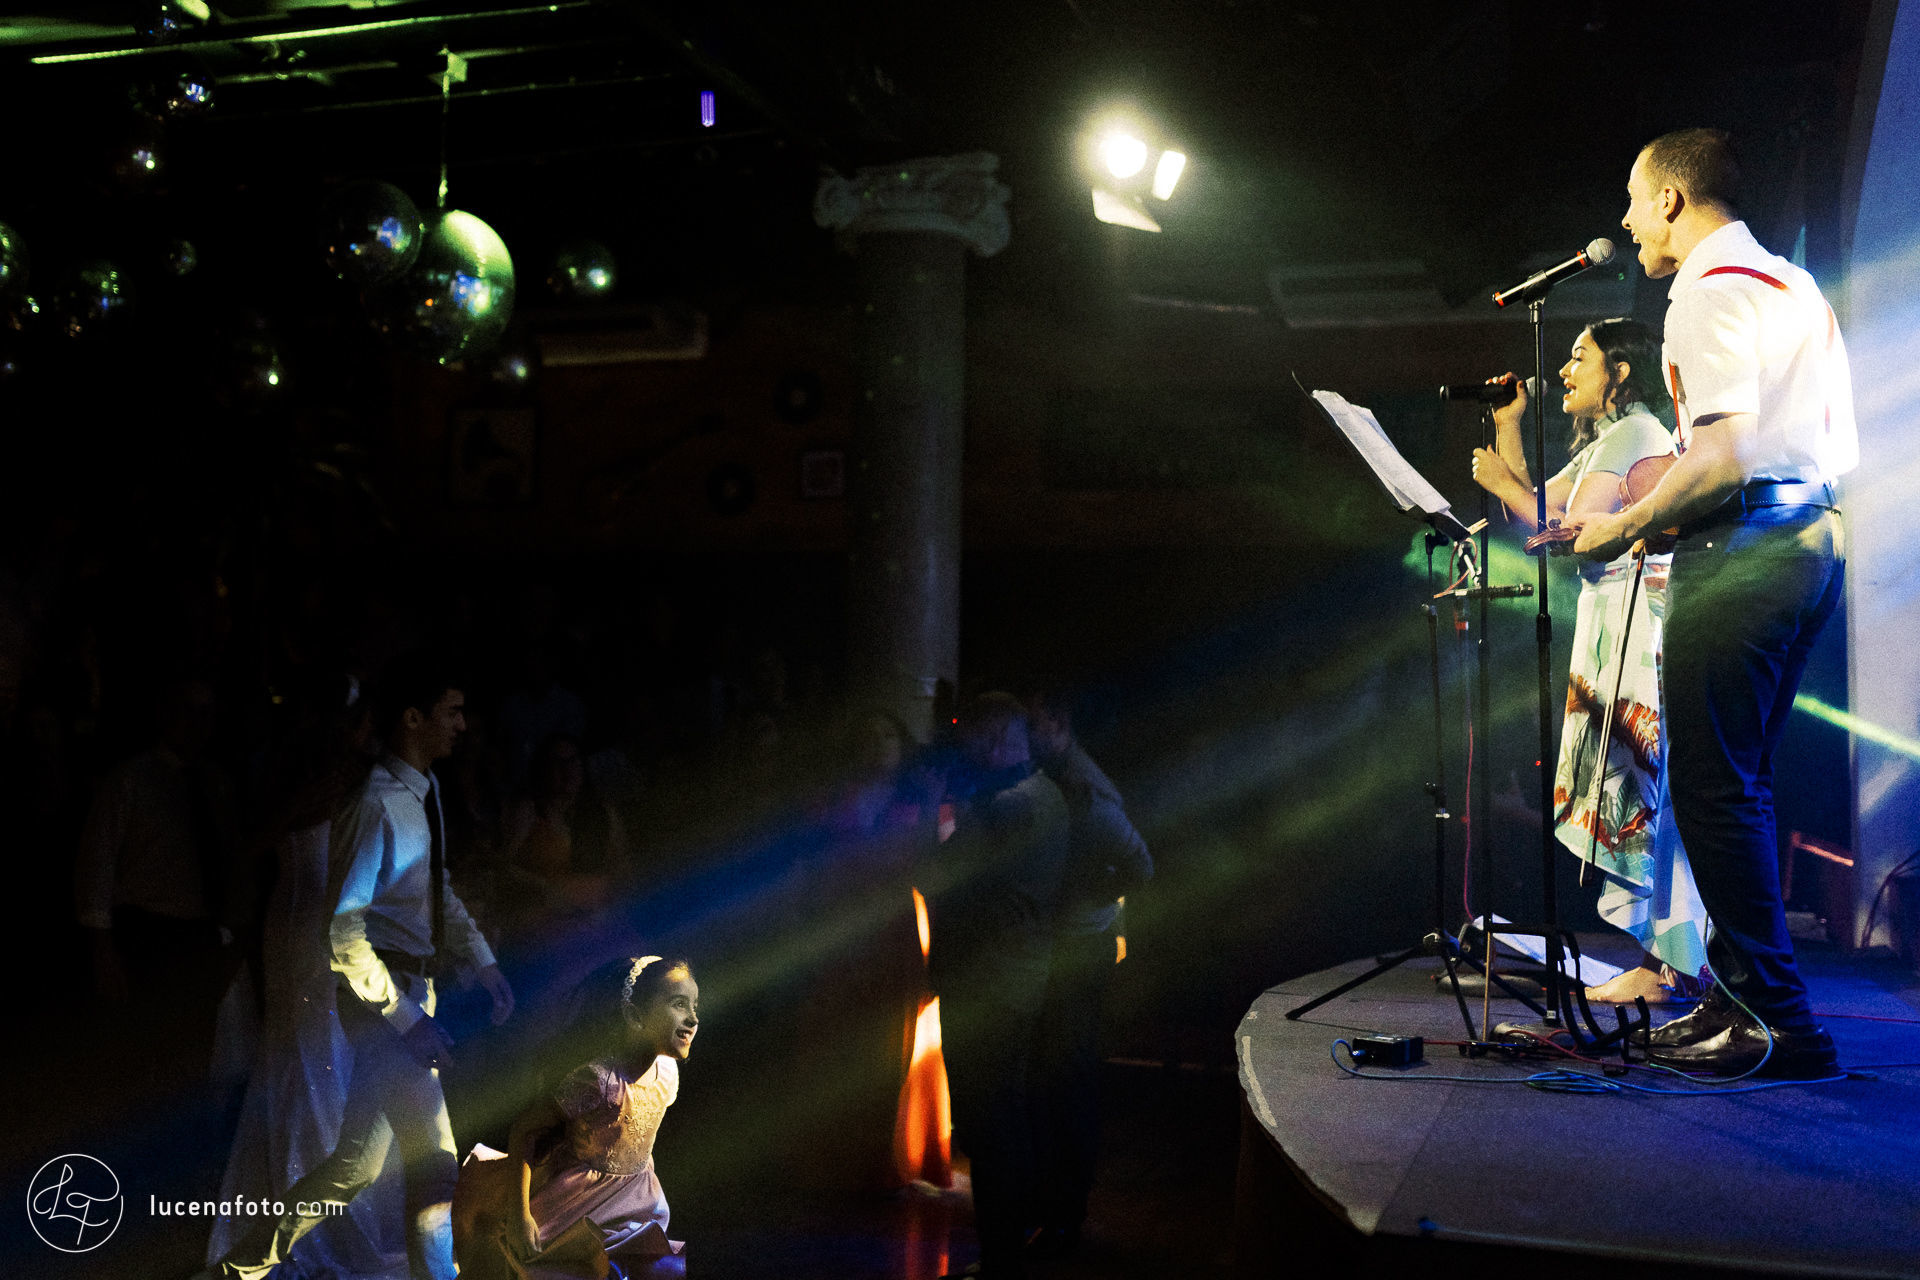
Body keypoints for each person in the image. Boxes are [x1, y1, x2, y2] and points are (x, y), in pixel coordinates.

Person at [1572, 128, 1856, 1078]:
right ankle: (1738, 1002)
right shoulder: (1792, 283)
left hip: (1745, 545)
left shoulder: (1700, 291)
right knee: (1739, 785)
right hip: (1809, 534)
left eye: (1631, 197)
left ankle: (1778, 1024)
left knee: (1711, 788)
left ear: (1670, 202)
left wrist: (1627, 522)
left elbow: (1722, 457)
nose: (1623, 219)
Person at [196, 651, 517, 1280]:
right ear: (413, 718)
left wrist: (481, 960)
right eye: (451, 712)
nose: (463, 724)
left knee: (354, 1167)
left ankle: (236, 1270)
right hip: (384, 1001)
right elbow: (343, 932)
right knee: (435, 1160)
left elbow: (435, 889)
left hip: (410, 993)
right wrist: (402, 1018)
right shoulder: (374, 804)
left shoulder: (423, 795)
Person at [1469, 319, 1711, 1005]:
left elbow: (1564, 533)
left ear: (1621, 370)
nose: (1566, 370)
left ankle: (1671, 970)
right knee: (1630, 788)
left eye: (1580, 357)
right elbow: (1537, 509)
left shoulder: (1635, 433)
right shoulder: (1613, 437)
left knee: (1640, 788)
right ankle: (1661, 965)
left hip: (1638, 626)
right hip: (1614, 624)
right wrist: (1508, 425)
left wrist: (1499, 480)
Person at [923, 692, 1070, 1280]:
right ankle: (1008, 1247)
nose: (968, 745)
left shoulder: (1002, 806)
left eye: (976, 735)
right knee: (1004, 1113)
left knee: (989, 1122)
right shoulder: (1048, 795)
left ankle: (1000, 1256)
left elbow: (942, 874)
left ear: (997, 739)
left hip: (987, 983)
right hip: (1018, 977)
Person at [453, 955, 697, 1280]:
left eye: (695, 1006)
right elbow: (526, 1131)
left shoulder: (667, 1074)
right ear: (636, 1016)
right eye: (679, 1004)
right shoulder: (599, 1082)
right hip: (576, 1205)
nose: (693, 1018)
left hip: (635, 1205)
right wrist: (520, 1214)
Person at [1024, 687, 1152, 1258]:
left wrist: (1082, 904)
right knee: (1059, 1076)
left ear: (1056, 722)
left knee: (1065, 1076)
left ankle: (1063, 1214)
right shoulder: (1066, 779)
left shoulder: (1083, 789)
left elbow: (1139, 866)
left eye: (1030, 723)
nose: (1023, 737)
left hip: (1075, 950)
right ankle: (1057, 1209)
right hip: (1069, 946)